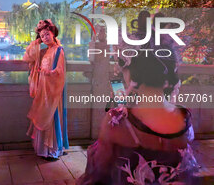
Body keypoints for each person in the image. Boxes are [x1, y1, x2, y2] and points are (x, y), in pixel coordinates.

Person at [77, 36, 199, 184]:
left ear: (133, 73)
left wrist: (121, 104)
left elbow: (98, 173)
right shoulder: (185, 116)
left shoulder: (117, 121)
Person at [23, 19, 69, 160]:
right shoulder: (45, 51)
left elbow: (60, 71)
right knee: (43, 116)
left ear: (53, 33)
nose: (45, 38)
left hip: (52, 90)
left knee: (51, 117)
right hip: (43, 90)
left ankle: (52, 150)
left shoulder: (59, 50)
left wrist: (46, 72)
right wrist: (36, 42)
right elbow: (28, 57)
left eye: (47, 34)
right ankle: (44, 149)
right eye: (42, 36)